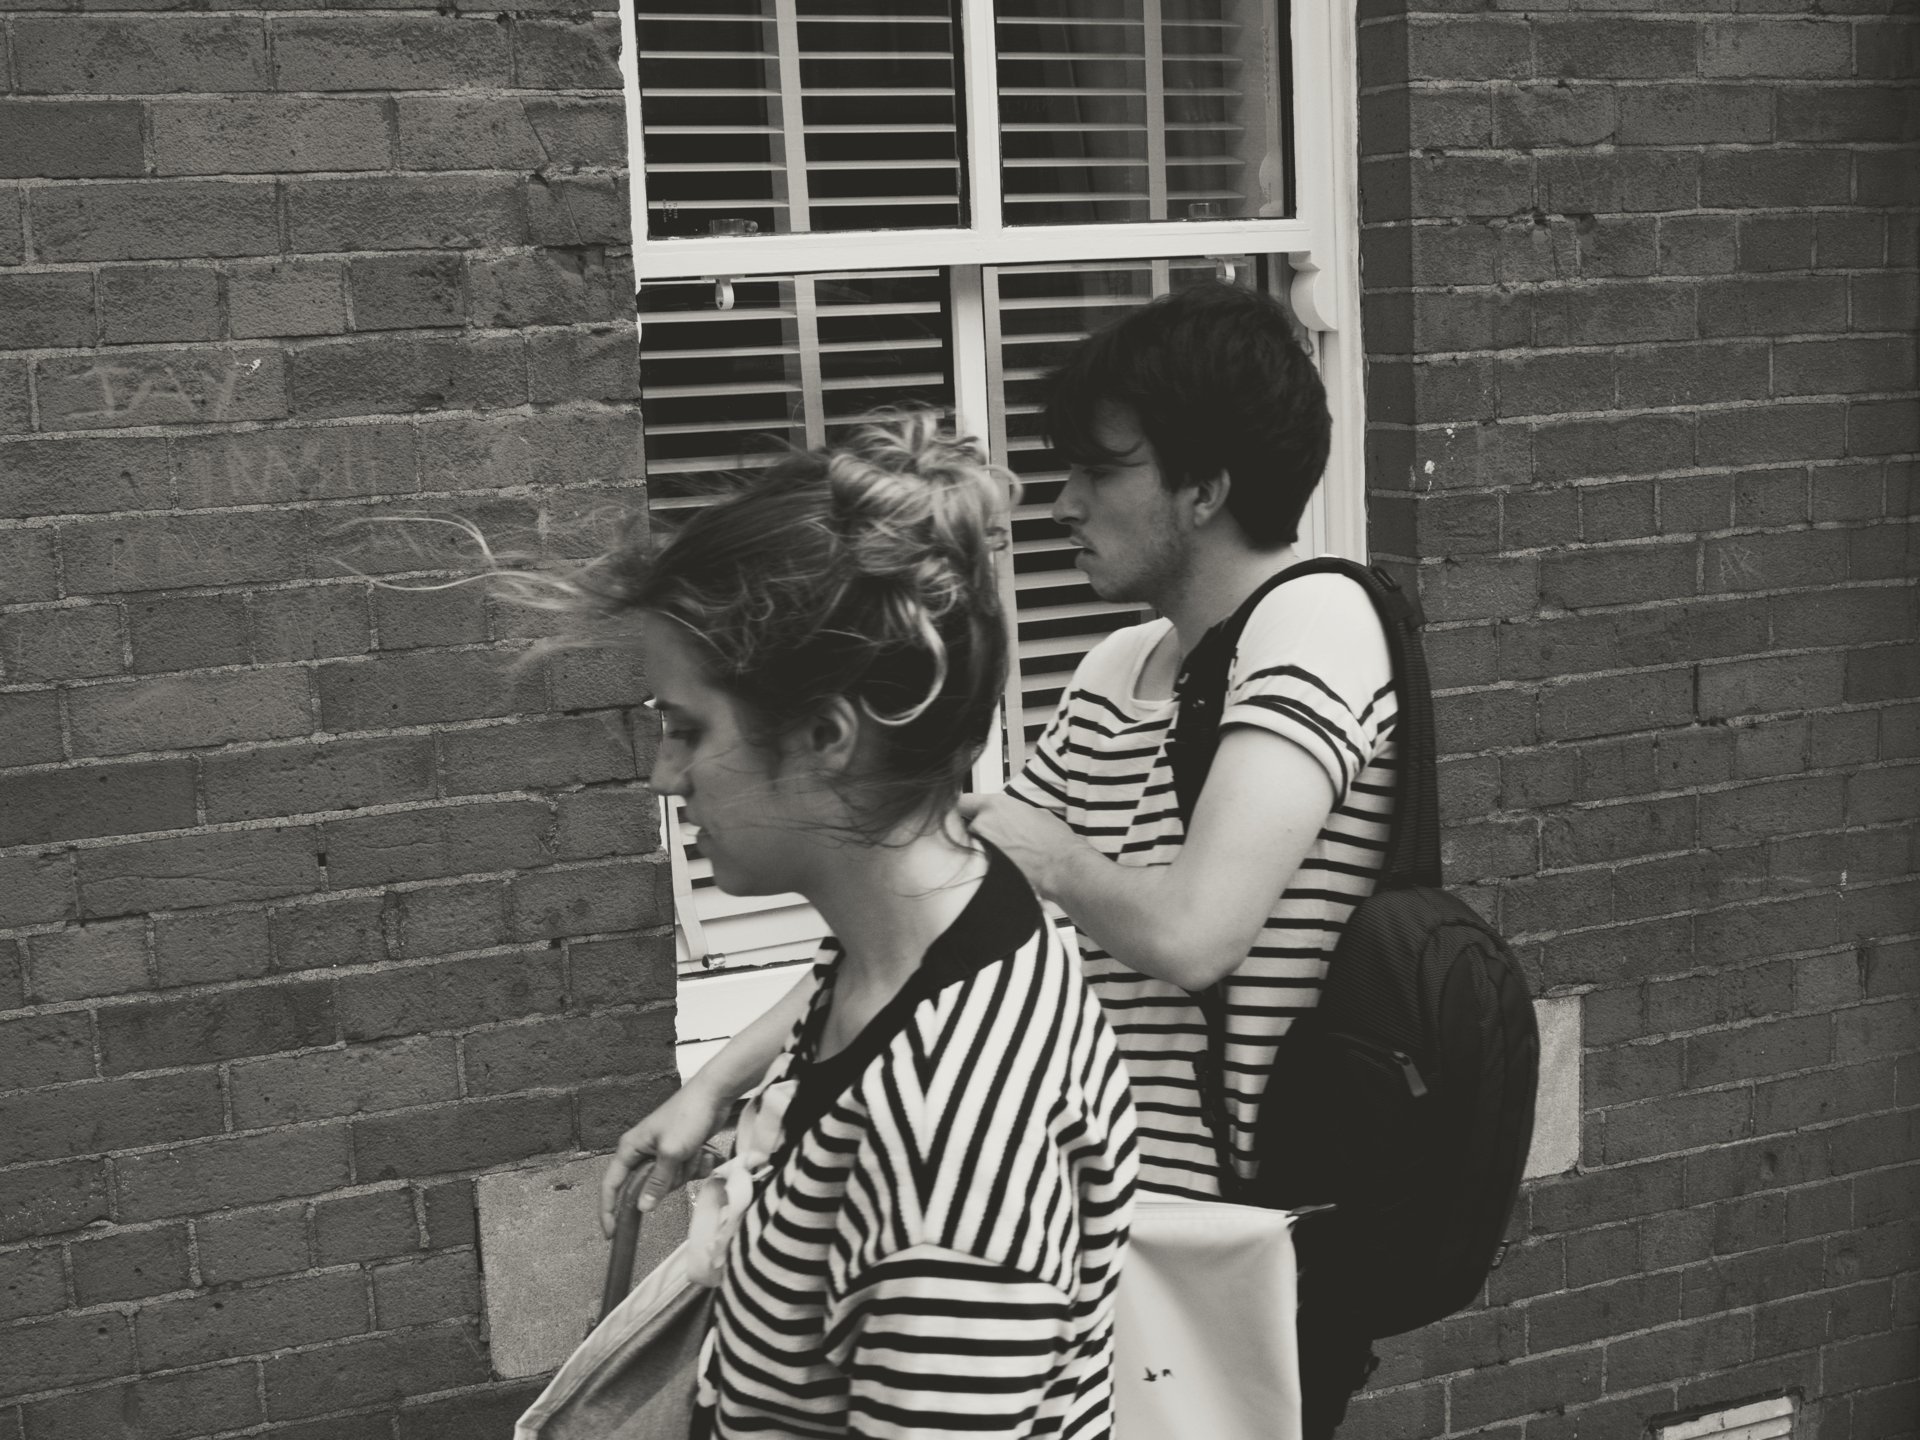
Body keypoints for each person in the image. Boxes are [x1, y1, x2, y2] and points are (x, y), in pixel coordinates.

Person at [576, 413, 1136, 1438]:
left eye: (688, 729)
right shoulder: (942, 918)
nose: (663, 775)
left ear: (828, 735)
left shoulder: (948, 1141)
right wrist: (715, 1087)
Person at [958, 281, 1397, 1437]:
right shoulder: (1116, 671)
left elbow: (1198, 935)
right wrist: (727, 1077)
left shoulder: (1321, 626)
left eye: (1100, 473)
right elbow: (958, 903)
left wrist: (1037, 844)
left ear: (1205, 489)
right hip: (1113, 1240)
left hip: (1243, 1260)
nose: (1060, 503)